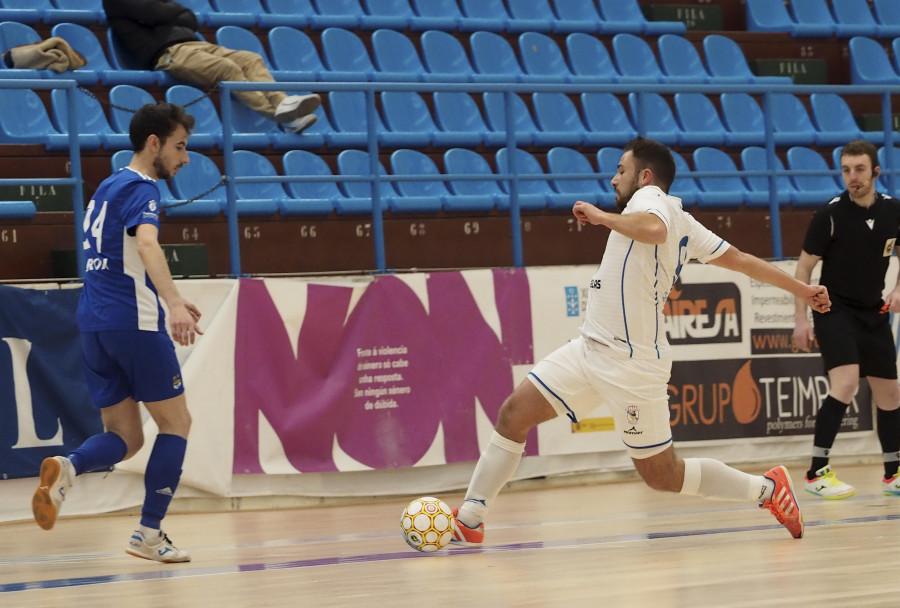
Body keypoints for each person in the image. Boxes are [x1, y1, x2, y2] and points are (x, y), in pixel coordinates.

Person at [450, 137, 832, 546]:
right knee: (514, 413)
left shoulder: (652, 202)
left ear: (645, 176)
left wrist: (599, 216)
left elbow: (653, 229)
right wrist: (801, 289)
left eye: (620, 170)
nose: (614, 179)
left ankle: (768, 490)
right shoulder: (682, 220)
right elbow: (739, 259)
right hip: (590, 348)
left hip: (632, 365)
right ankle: (471, 517)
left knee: (661, 474)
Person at [31, 102, 203, 563]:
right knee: (177, 422)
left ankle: (69, 466)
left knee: (126, 437)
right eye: (180, 147)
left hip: (93, 323)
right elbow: (146, 243)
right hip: (134, 323)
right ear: (154, 144)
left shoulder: (105, 188)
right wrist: (171, 306)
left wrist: (173, 295)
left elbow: (119, 255)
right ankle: (148, 533)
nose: (184, 159)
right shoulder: (143, 187)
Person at [792, 139, 900, 500]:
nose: (852, 177)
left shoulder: (892, 211)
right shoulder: (830, 215)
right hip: (833, 309)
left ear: (875, 172)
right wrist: (800, 320)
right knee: (847, 382)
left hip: (873, 312)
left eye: (859, 170)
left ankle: (893, 473)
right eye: (846, 170)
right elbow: (804, 268)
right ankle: (816, 472)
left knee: (890, 392)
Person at [103, 0, 320, 134]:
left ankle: (283, 103)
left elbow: (189, 18)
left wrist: (170, 14)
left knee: (250, 59)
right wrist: (172, 14)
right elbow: (156, 11)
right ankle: (281, 116)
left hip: (196, 44)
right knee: (227, 68)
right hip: (168, 53)